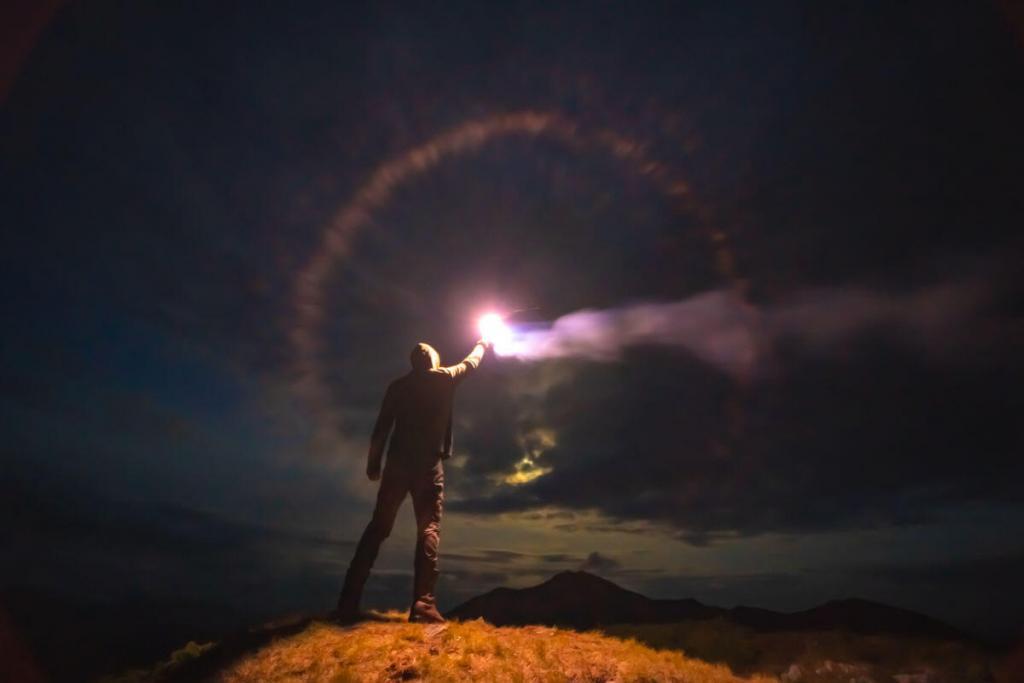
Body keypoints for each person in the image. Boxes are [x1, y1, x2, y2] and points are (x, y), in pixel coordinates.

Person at [336, 339, 488, 623]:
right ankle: (423, 605)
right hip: (428, 467)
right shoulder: (444, 378)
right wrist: (482, 343)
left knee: (378, 528)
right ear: (432, 360)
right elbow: (471, 363)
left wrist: (374, 463)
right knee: (428, 529)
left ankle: (348, 601)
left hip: (396, 465)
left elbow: (382, 426)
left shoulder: (398, 386)